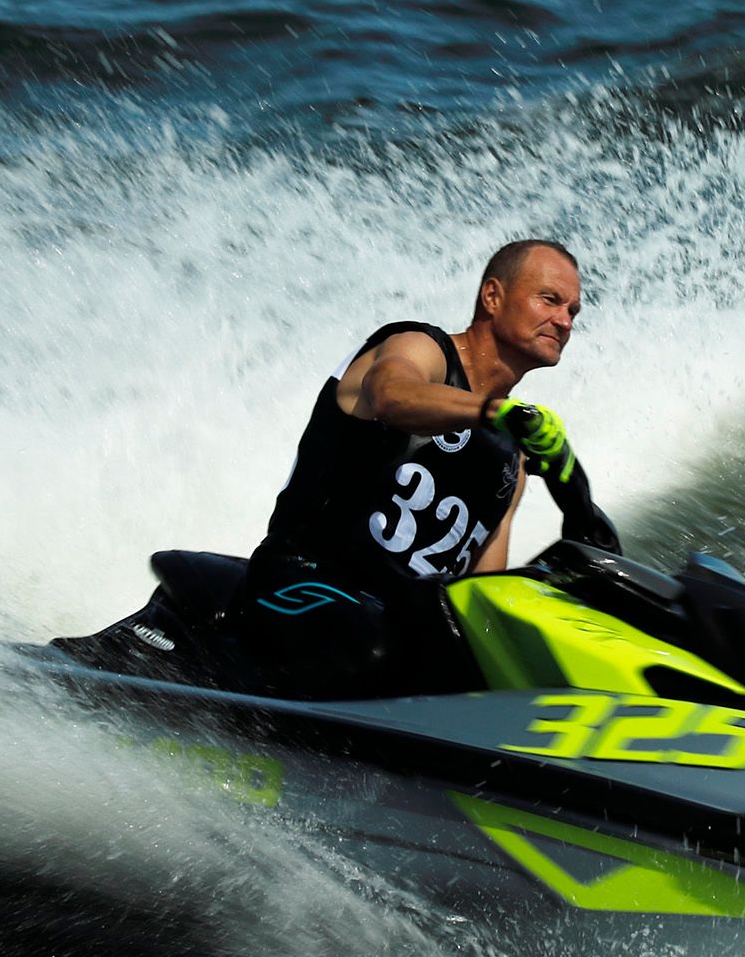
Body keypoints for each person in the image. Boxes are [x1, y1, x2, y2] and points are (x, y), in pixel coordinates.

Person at [225, 238, 599, 696]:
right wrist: (497, 412)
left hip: (400, 619)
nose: (563, 321)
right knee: (379, 650)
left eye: (573, 312)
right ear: (493, 297)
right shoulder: (421, 349)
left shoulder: (511, 458)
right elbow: (391, 396)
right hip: (301, 579)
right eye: (550, 300)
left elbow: (480, 591)